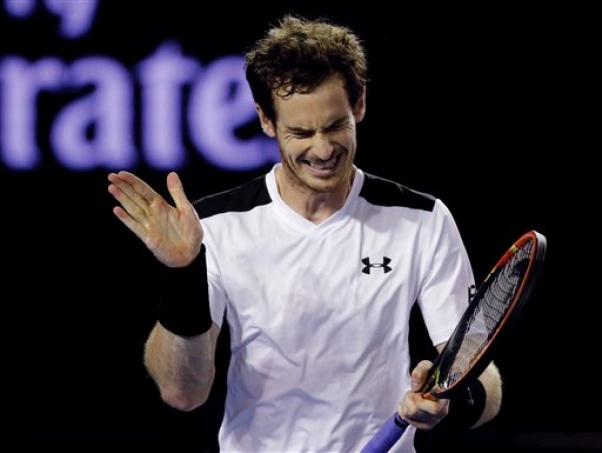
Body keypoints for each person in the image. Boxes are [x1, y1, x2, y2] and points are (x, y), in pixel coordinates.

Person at [107, 13, 502, 453]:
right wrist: (183, 275)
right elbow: (183, 393)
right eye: (301, 131)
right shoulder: (213, 228)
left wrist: (450, 400)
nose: (322, 148)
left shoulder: (423, 219)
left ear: (360, 105)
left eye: (335, 126)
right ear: (266, 121)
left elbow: (484, 380)